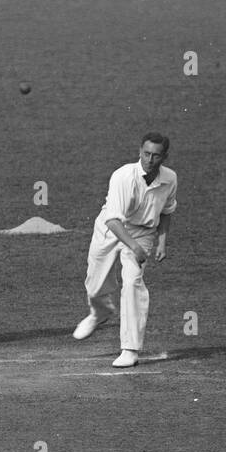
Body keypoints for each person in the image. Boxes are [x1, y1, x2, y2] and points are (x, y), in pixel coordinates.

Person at [72, 133, 177, 368]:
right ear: (140, 151)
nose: (150, 159)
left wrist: (162, 242)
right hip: (110, 229)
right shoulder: (123, 176)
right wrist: (134, 247)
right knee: (95, 283)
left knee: (132, 282)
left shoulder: (170, 179)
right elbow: (113, 221)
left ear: (164, 157)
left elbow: (167, 211)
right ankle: (100, 312)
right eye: (146, 153)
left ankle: (130, 349)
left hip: (143, 232)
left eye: (156, 155)